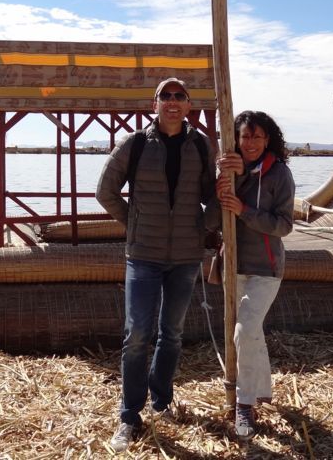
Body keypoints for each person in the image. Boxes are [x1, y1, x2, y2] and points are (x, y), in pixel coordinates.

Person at [96, 77, 216, 452]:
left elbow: (215, 196)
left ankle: (161, 400)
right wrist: (134, 223)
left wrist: (203, 226)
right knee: (136, 335)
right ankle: (129, 415)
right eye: (166, 96)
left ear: (189, 106)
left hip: (186, 257)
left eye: (180, 96)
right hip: (143, 255)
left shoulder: (201, 145)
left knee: (172, 333)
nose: (173, 101)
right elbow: (105, 191)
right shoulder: (133, 144)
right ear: (155, 104)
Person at [210, 110, 295, 439]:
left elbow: (284, 226)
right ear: (236, 138)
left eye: (257, 137)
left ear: (267, 139)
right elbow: (213, 216)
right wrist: (221, 187)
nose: (251, 143)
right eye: (245, 136)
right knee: (250, 330)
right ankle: (263, 390)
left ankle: (244, 405)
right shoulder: (228, 170)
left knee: (244, 330)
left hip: (266, 268)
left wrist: (244, 211)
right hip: (233, 264)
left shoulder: (280, 174)